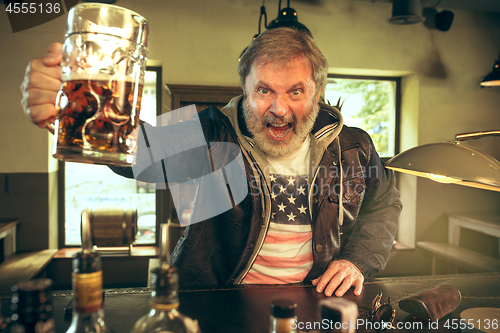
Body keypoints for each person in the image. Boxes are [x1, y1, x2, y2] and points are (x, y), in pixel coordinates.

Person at [20, 27, 402, 297]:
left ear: (317, 92)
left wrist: (358, 260)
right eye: (264, 90)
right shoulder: (211, 131)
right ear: (245, 91)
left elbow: (385, 204)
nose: (279, 109)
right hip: (215, 300)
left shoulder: (355, 147)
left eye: (296, 91)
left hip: (313, 303)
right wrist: (73, 113)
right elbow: (140, 150)